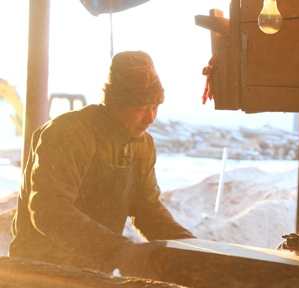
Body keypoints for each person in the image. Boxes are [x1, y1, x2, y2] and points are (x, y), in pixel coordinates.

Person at [10, 51, 194, 274]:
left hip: (94, 273)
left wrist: (192, 248)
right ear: (115, 102)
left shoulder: (142, 145)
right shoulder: (69, 134)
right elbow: (50, 211)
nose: (150, 118)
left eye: (155, 106)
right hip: (40, 274)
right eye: (141, 108)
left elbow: (148, 209)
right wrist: (121, 251)